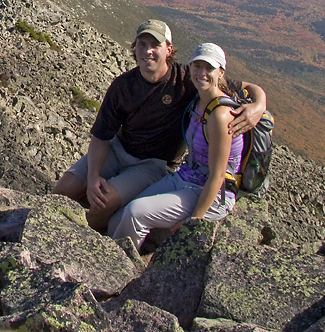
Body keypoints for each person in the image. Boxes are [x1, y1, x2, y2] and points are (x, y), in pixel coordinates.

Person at [52, 20, 266, 231]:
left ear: (168, 49)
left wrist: (258, 105)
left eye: (155, 45)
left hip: (152, 164)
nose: (147, 51)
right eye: (142, 45)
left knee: (102, 203)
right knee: (64, 189)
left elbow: (246, 87)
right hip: (118, 150)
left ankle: (86, 241)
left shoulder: (189, 79)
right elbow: (101, 136)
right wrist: (93, 176)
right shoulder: (123, 85)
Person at [111, 42, 241, 249]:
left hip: (211, 192)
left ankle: (118, 269)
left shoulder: (221, 115)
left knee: (135, 213)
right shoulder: (198, 100)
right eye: (197, 66)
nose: (202, 73)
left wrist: (193, 221)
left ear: (221, 72)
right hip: (186, 177)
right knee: (119, 218)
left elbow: (217, 176)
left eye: (209, 68)